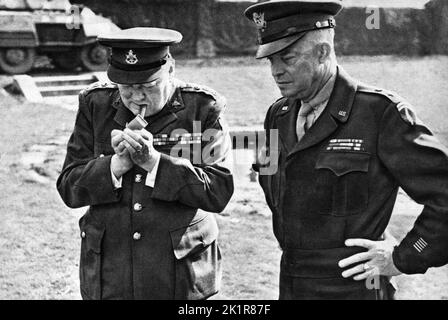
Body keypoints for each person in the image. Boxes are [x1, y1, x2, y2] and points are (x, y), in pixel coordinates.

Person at [245, 0, 448, 299]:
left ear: (322, 52)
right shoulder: (279, 114)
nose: (276, 71)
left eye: (286, 58)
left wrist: (403, 257)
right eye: (270, 61)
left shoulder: (379, 113)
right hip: (292, 282)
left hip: (355, 285)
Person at [56, 27, 234, 300]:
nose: (136, 98)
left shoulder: (202, 108)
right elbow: (69, 186)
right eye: (126, 87)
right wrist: (115, 165)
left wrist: (154, 162)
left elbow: (218, 190)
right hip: (110, 275)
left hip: (180, 276)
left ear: (170, 68)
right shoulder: (96, 105)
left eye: (148, 86)